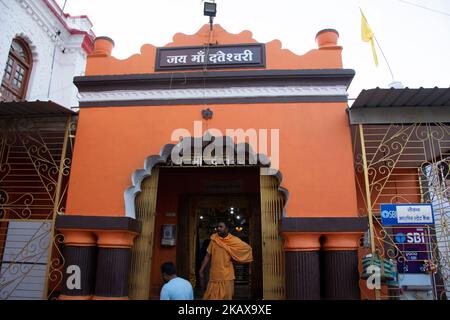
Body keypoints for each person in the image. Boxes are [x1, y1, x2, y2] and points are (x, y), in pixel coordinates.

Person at [199, 221, 253, 300]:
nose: (218, 228)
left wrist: (236, 260)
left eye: (221, 227)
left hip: (226, 275)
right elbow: (207, 256)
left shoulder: (234, 240)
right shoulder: (214, 239)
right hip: (214, 275)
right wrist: (201, 269)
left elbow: (247, 249)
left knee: (226, 297)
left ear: (227, 229)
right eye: (218, 227)